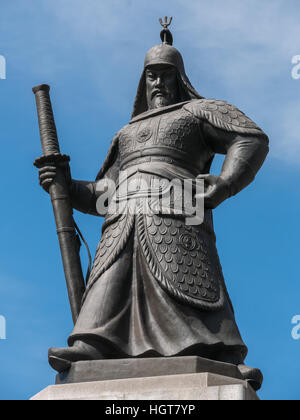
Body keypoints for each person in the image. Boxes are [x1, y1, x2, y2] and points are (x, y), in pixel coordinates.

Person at [39, 24, 268, 389]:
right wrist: (66, 185)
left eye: (165, 75)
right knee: (109, 283)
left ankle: (217, 356)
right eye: (151, 76)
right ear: (142, 82)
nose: (158, 83)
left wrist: (225, 184)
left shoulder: (198, 112)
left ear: (180, 78)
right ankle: (92, 345)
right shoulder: (126, 132)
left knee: (187, 283)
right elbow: (105, 191)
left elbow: (250, 139)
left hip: (176, 210)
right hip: (122, 218)